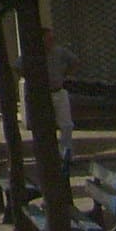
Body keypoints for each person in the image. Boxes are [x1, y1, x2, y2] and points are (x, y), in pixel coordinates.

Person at [43, 28, 78, 165]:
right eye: (48, 39)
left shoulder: (59, 52)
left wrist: (66, 75)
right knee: (46, 126)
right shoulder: (35, 54)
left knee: (66, 125)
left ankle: (66, 154)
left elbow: (75, 61)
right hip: (43, 94)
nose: (51, 42)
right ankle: (49, 155)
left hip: (59, 90)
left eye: (53, 39)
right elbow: (18, 66)